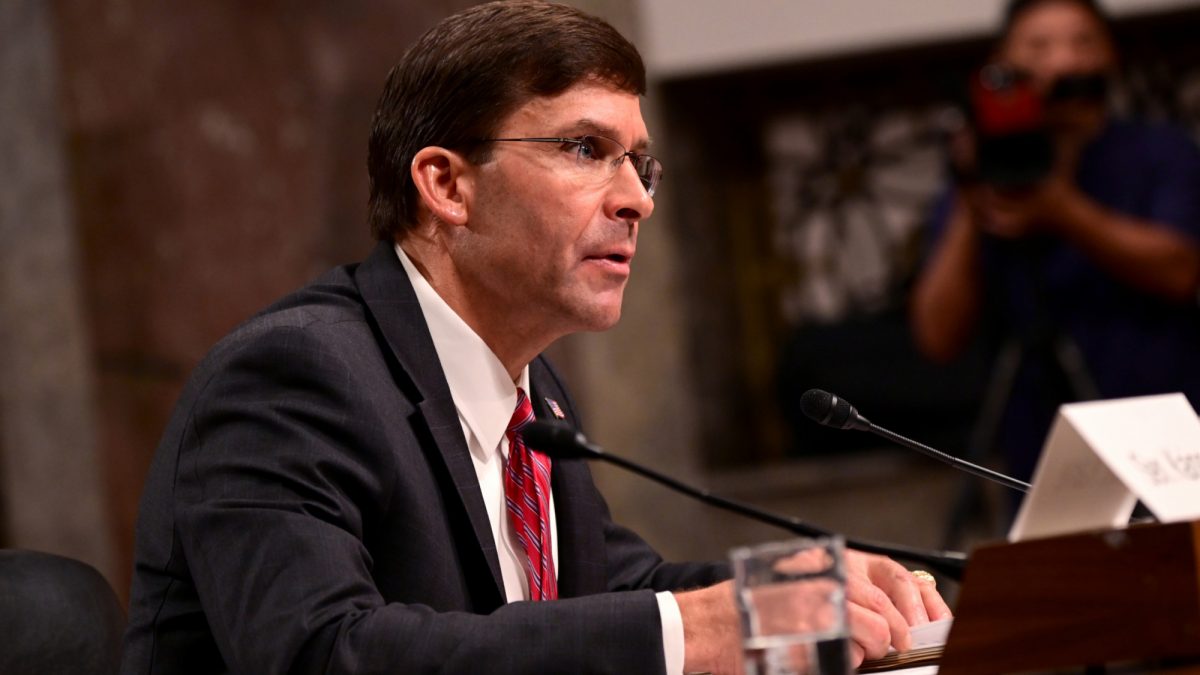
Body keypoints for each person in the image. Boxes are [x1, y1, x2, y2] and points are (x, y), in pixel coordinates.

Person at [122, 3, 949, 673]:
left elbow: (613, 589)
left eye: (641, 164)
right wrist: (695, 631)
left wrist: (803, 593)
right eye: (587, 149)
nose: (637, 201)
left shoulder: (530, 390)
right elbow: (321, 651)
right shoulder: (293, 377)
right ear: (446, 183)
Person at [911, 0, 1200, 482]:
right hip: (1041, 449)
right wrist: (973, 186)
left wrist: (1062, 210)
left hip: (1166, 428)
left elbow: (1180, 271)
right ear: (1002, 64)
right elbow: (937, 336)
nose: (1063, 61)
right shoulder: (988, 174)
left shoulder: (1160, 152)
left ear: (1110, 56)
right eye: (1039, 46)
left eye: (1082, 42)